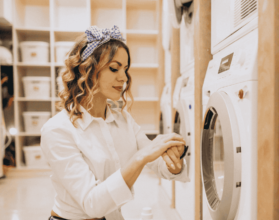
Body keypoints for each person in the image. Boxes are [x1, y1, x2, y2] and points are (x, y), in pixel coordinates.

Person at [41, 25, 189, 220]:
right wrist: (141, 157)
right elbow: (92, 204)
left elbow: (160, 166)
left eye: (125, 69)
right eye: (114, 68)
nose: (124, 77)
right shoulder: (57, 130)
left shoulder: (123, 120)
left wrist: (173, 163)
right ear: (87, 70)